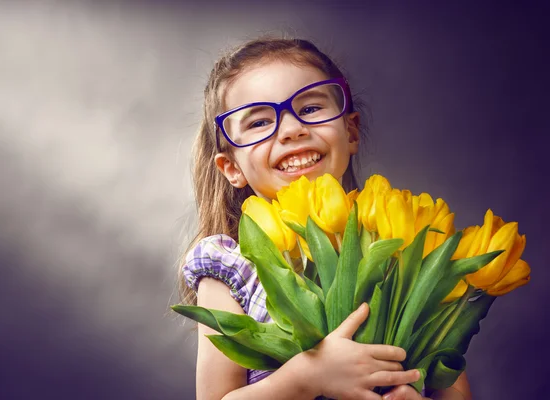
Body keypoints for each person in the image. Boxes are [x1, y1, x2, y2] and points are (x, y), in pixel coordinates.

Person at [178, 36, 472, 400]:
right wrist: (307, 377)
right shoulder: (232, 267)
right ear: (231, 167)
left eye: (312, 108)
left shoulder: (402, 237)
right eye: (258, 122)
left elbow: (453, 388)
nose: (292, 130)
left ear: (350, 131)